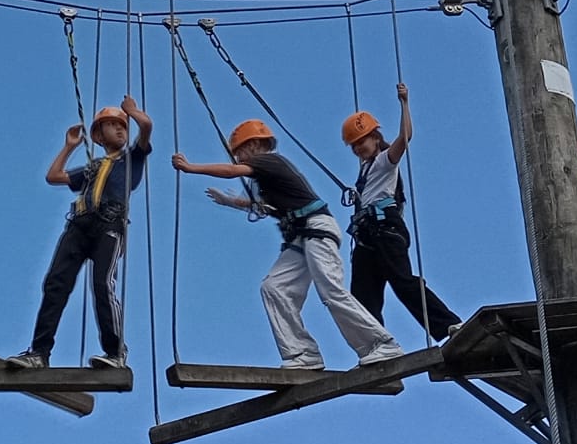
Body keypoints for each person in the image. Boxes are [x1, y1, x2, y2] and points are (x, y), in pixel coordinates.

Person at [172, 120, 404, 370]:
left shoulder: (268, 161)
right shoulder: (268, 175)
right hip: (303, 235)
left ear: (255, 145)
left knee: (330, 290)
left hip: (316, 230)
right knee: (274, 288)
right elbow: (263, 206)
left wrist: (190, 168)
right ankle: (303, 353)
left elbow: (232, 171)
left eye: (239, 150)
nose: (238, 157)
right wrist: (230, 201)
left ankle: (381, 344)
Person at [8, 96, 154, 371]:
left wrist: (132, 112)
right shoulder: (92, 167)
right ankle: (39, 352)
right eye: (112, 125)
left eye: (122, 125)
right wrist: (69, 146)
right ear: (98, 136)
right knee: (55, 283)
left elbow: (145, 127)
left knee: (102, 285)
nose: (121, 129)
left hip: (109, 226)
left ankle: (116, 352)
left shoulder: (132, 158)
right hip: (79, 226)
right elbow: (53, 176)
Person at [344, 83, 462, 341]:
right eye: (353, 145)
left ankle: (448, 324)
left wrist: (405, 103)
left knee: (403, 282)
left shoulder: (385, 160)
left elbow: (405, 136)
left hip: (385, 229)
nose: (358, 148)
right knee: (363, 296)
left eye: (361, 141)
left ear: (375, 136)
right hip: (368, 235)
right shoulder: (364, 171)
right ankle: (376, 346)